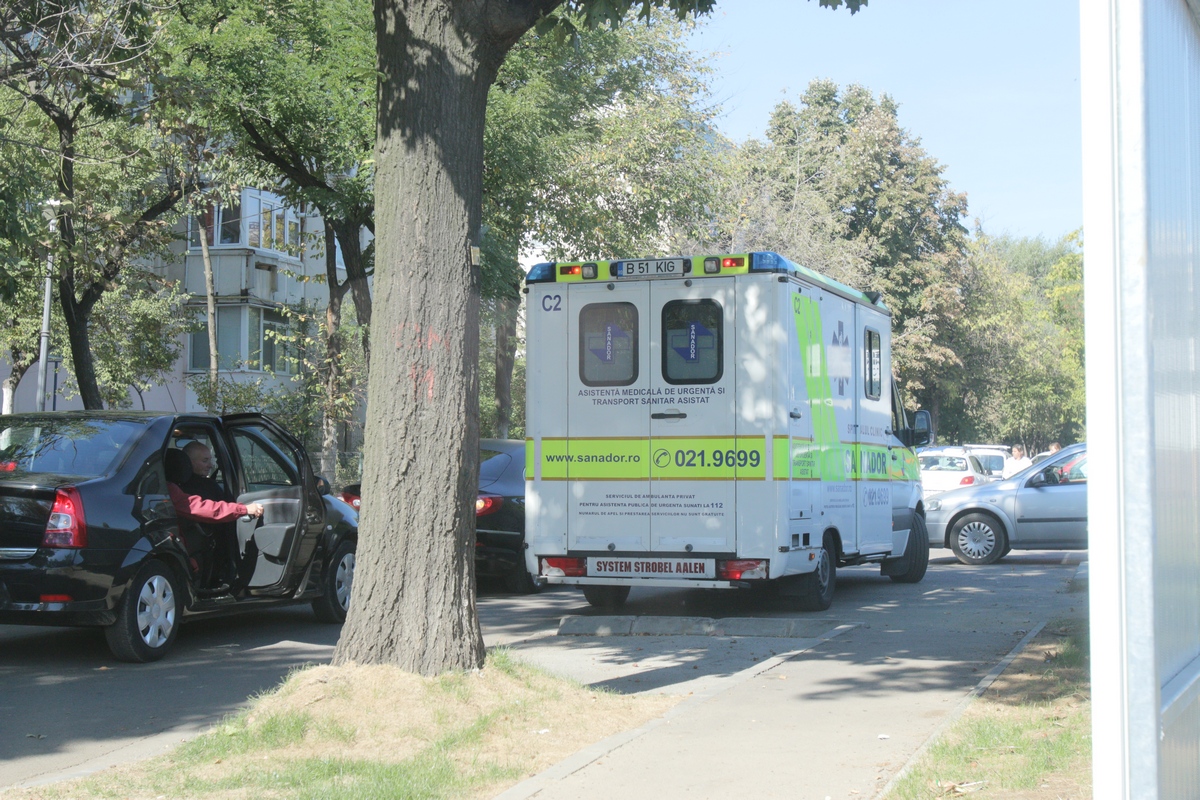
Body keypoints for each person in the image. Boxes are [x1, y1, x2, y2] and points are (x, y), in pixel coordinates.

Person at [163, 449, 263, 590]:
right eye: (205, 460)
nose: (210, 465)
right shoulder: (170, 490)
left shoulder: (155, 487)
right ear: (186, 463)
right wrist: (244, 509)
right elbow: (204, 509)